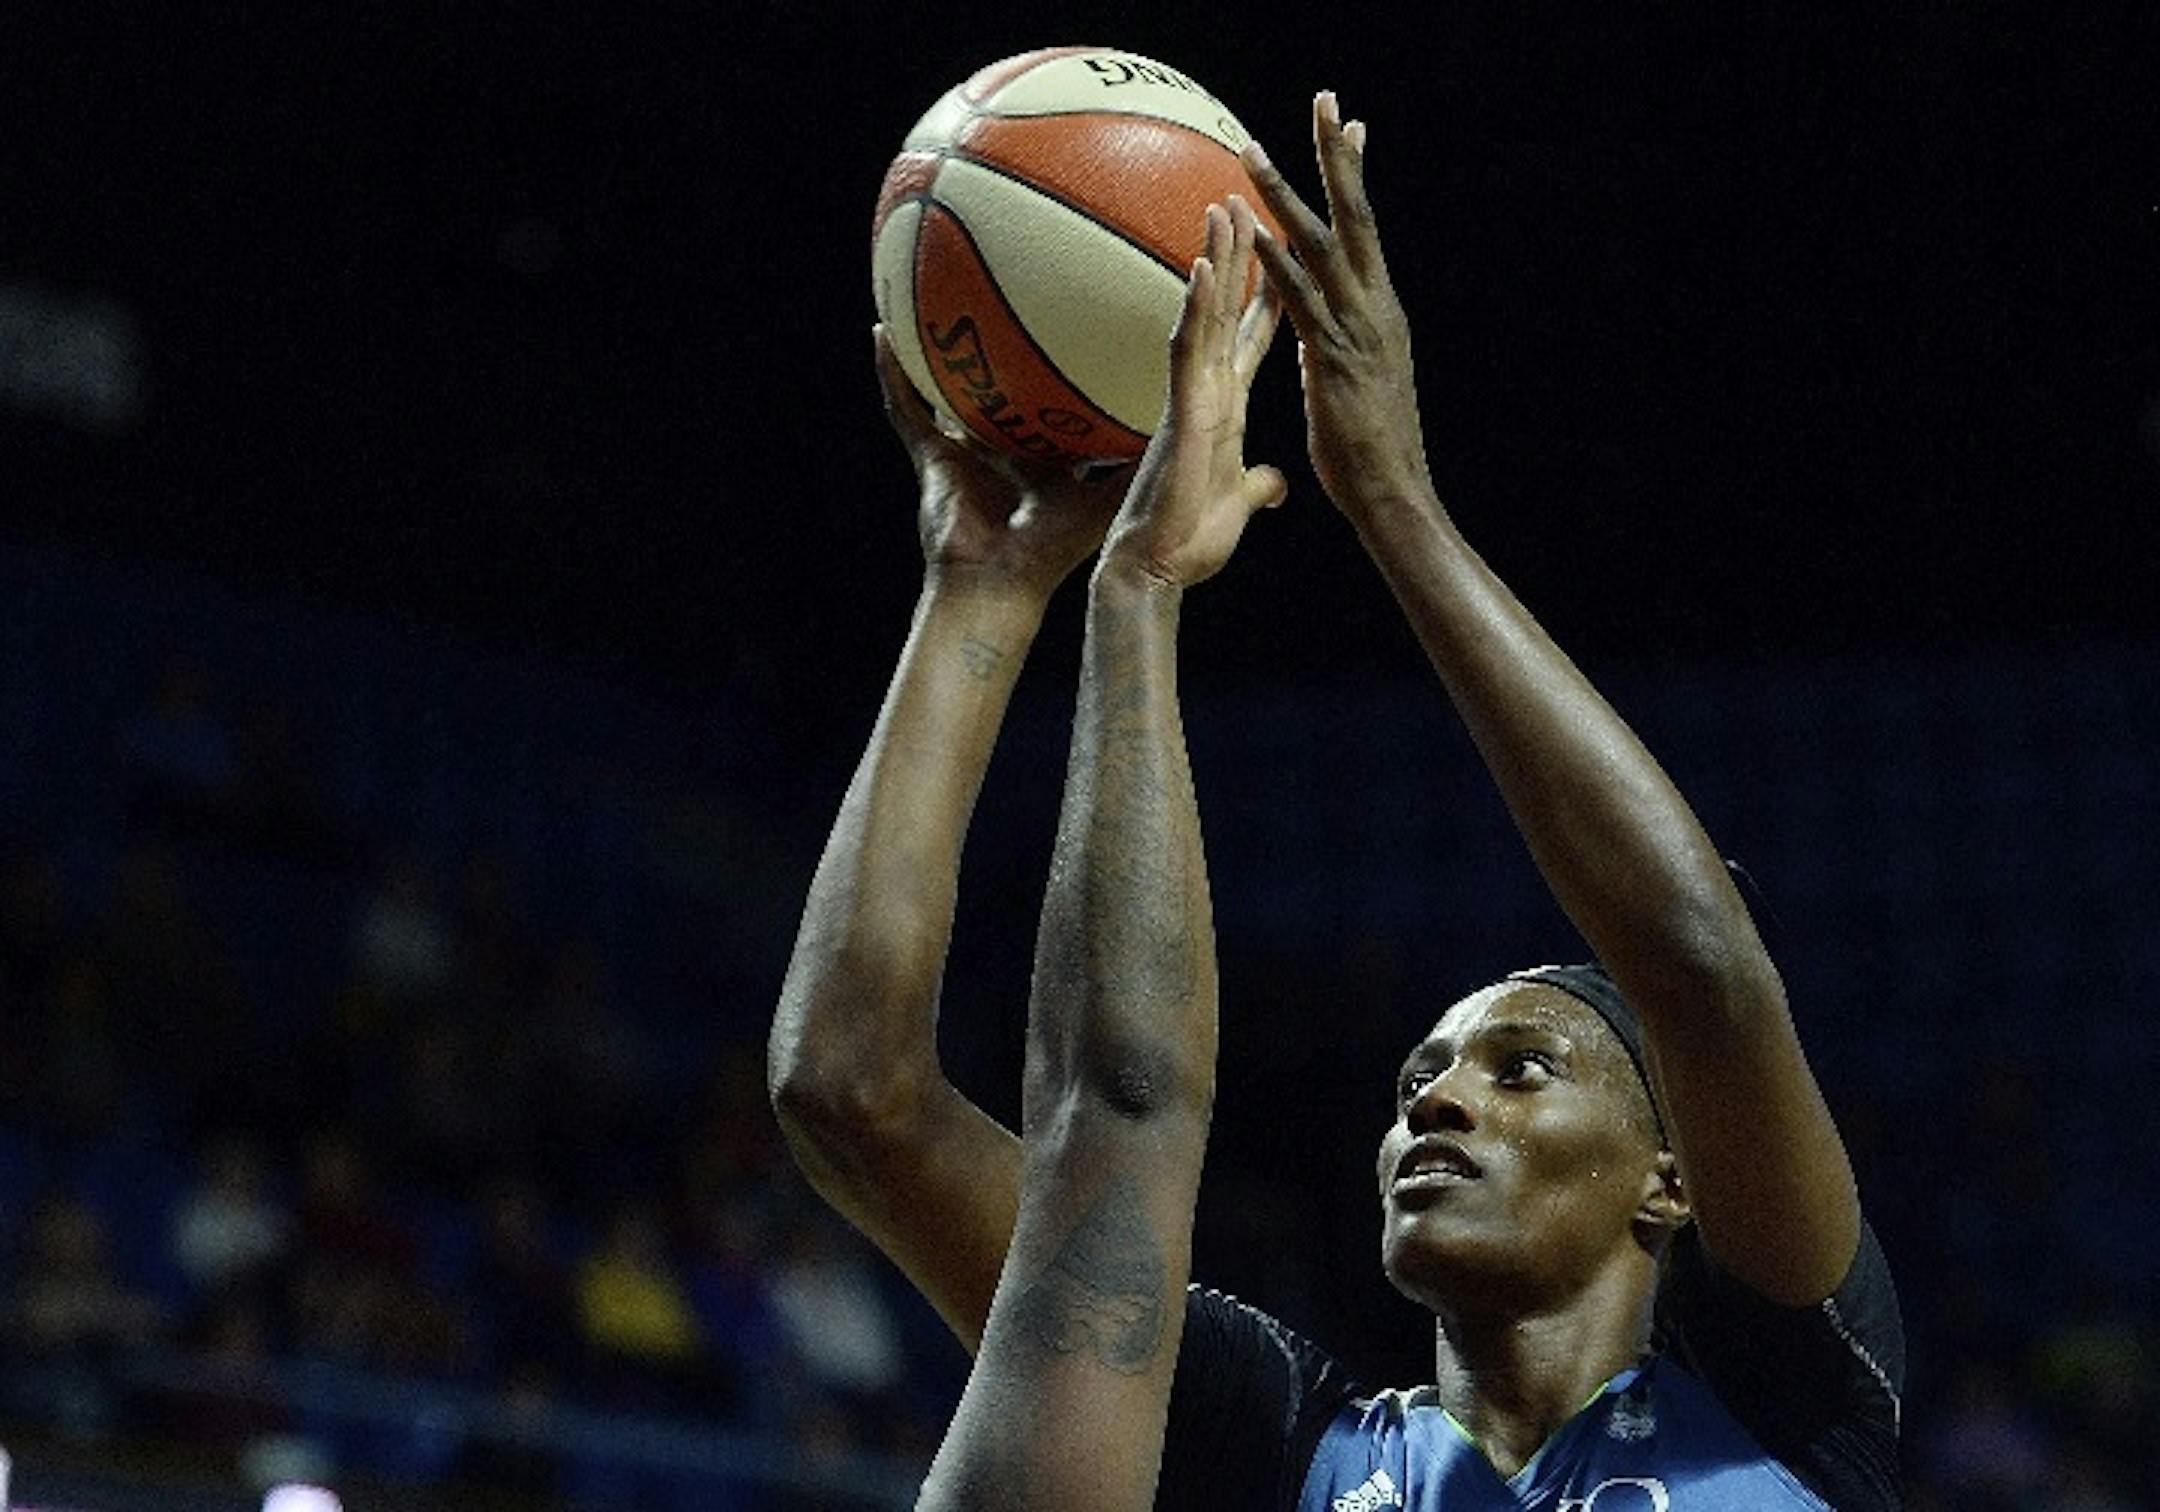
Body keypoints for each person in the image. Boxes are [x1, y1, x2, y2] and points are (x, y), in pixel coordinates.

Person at [771, 92, 1903, 1509]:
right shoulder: (1288, 1443)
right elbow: (857, 1095)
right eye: (1420, 1078)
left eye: (1521, 1068)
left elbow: (1697, 965)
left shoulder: (1791, 1407)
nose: (1438, 1102)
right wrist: (980, 591)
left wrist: (1393, 501)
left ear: (1669, 1183)